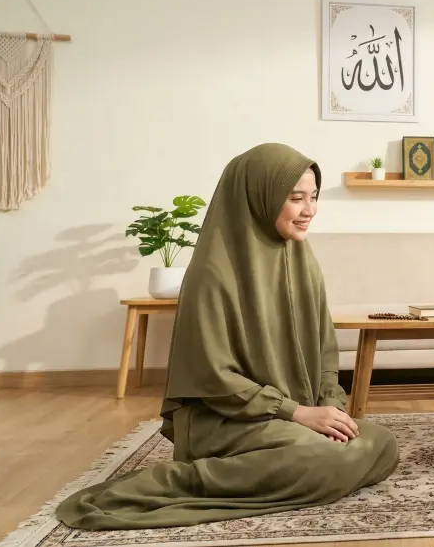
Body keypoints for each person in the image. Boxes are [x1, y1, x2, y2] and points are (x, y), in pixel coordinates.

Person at [55, 143, 399, 530]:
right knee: (325, 458)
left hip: (294, 417)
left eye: (314, 197)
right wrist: (298, 413)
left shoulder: (303, 261)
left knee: (382, 443)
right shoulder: (212, 275)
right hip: (225, 419)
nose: (310, 211)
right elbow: (215, 378)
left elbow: (324, 351)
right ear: (260, 198)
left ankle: (295, 462)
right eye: (296, 198)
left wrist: (329, 406)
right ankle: (181, 479)